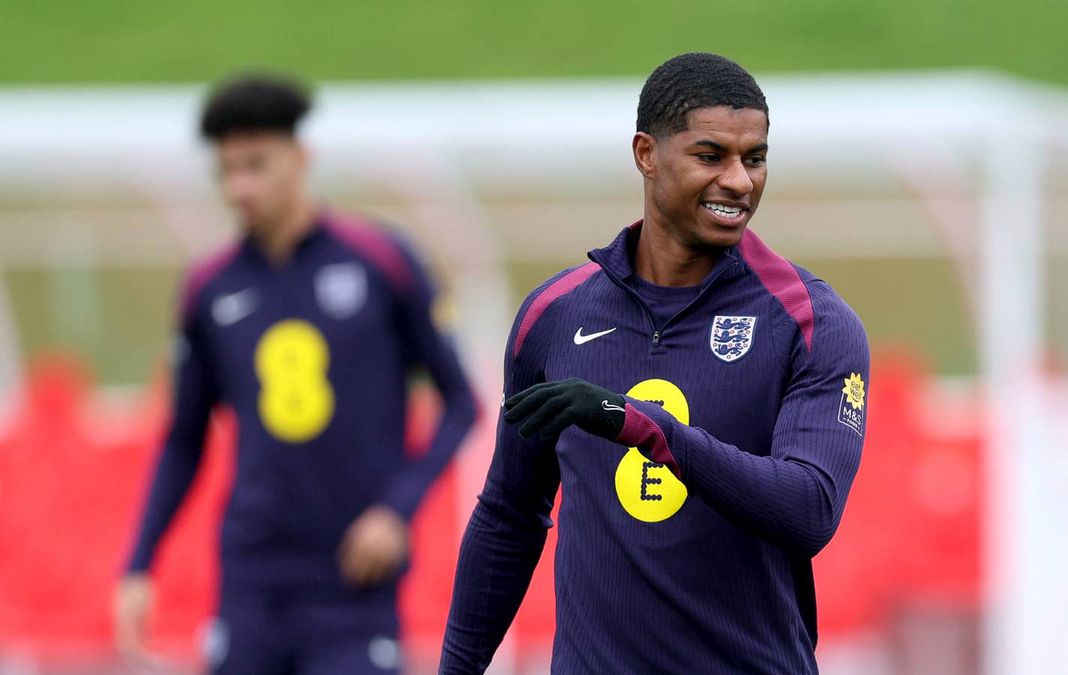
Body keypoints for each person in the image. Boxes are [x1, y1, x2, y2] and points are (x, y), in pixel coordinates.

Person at [440, 53, 869, 674]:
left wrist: (645, 427)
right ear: (647, 153)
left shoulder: (811, 322)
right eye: (710, 155)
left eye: (755, 159)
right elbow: (509, 515)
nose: (740, 182)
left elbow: (809, 511)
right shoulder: (553, 316)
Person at [113, 74, 478, 674]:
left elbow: (461, 401)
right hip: (252, 579)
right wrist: (139, 563)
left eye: (256, 165)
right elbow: (184, 439)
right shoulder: (211, 288)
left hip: (355, 581)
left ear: (301, 158)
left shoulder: (381, 261)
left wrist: (397, 509)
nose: (239, 187)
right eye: (226, 171)